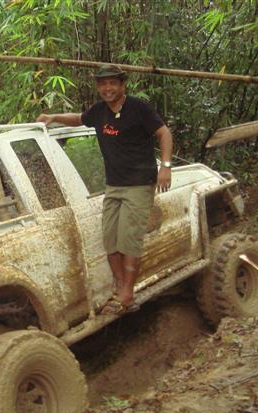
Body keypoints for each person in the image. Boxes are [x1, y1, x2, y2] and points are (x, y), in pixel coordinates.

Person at [36, 65, 173, 313]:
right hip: (114, 184)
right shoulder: (99, 111)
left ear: (122, 85)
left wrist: (165, 166)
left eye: (112, 83)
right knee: (110, 239)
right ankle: (120, 285)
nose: (107, 88)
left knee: (129, 238)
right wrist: (53, 117)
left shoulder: (138, 108)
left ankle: (128, 292)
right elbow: (79, 119)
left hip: (140, 183)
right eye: (103, 84)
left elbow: (164, 133)